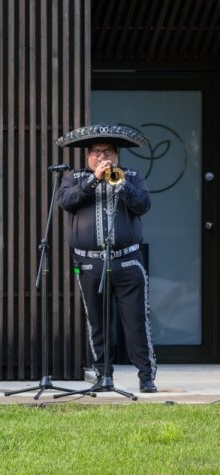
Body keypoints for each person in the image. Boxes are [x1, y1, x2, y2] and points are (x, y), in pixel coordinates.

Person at [56, 124, 158, 393]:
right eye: (96, 152)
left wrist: (122, 186)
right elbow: (65, 202)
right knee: (97, 322)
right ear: (89, 156)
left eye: (107, 152)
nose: (101, 157)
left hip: (127, 260)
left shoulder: (132, 176)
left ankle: (146, 376)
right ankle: (104, 375)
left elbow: (143, 205)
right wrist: (94, 181)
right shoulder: (75, 178)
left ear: (117, 155)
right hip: (89, 263)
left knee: (135, 320)